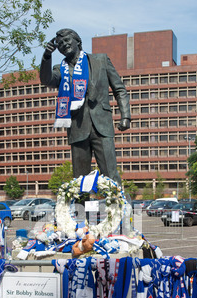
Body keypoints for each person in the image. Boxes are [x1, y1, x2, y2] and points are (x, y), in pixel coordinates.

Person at [40, 28, 131, 185]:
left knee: (111, 175)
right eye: (60, 44)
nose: (64, 45)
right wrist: (46, 57)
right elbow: (46, 79)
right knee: (80, 181)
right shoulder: (59, 69)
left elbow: (119, 88)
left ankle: (118, 208)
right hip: (78, 128)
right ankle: (80, 210)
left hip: (101, 125)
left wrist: (125, 116)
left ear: (78, 42)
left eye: (67, 40)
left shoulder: (100, 60)